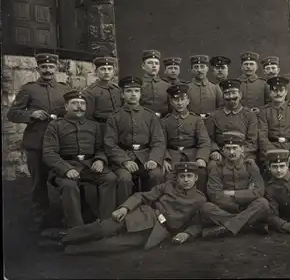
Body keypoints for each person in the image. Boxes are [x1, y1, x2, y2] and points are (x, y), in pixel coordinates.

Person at [59, 162, 206, 255]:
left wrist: (187, 234)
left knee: (113, 245)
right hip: (143, 216)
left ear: (196, 178)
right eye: (182, 176)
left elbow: (197, 223)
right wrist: (125, 208)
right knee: (103, 228)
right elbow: (142, 196)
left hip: (156, 231)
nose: (186, 180)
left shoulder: (200, 199)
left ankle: (70, 250)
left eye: (189, 176)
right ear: (177, 178)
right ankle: (64, 239)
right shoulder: (167, 186)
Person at [7, 53, 70, 228]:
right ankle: (39, 216)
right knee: (38, 181)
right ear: (38, 68)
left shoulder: (64, 89)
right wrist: (30, 114)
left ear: (56, 68)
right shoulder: (29, 89)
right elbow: (12, 114)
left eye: (51, 67)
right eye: (44, 67)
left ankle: (67, 214)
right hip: (37, 142)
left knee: (65, 178)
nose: (48, 70)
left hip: (60, 142)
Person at [42, 90, 117, 234]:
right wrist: (66, 169)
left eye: (82, 103)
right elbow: (49, 152)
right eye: (75, 103)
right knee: (69, 185)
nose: (79, 107)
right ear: (66, 107)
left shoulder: (94, 125)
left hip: (89, 165)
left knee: (110, 178)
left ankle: (105, 222)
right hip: (67, 165)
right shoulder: (55, 125)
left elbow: (101, 148)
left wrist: (100, 160)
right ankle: (76, 228)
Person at [104, 76, 166, 205]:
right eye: (129, 91)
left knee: (156, 175)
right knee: (124, 178)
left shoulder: (150, 116)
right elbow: (110, 143)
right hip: (124, 157)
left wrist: (153, 159)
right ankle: (124, 212)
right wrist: (124, 161)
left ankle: (153, 210)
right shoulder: (115, 117)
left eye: (136, 91)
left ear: (140, 94)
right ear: (122, 94)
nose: (133, 94)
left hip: (146, 156)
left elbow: (158, 141)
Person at [201, 131, 269, 238]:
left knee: (263, 203)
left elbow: (258, 191)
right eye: (228, 148)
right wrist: (242, 200)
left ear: (242, 148)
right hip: (228, 209)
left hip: (247, 207)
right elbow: (215, 195)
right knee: (206, 207)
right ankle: (249, 226)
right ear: (223, 150)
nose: (231, 152)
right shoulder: (217, 168)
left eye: (234, 148)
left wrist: (232, 193)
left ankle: (225, 227)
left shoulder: (250, 166)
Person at [257, 76, 290, 180]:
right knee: (268, 170)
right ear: (270, 93)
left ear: (286, 92)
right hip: (271, 149)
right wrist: (273, 153)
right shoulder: (264, 112)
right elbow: (262, 136)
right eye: (275, 90)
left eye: (281, 90)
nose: (278, 93)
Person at [161, 84, 211, 193]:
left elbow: (204, 141)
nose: (179, 103)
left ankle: (199, 201)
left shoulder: (196, 120)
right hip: (173, 155)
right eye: (176, 100)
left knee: (201, 173)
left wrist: (201, 158)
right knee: (169, 175)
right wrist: (164, 159)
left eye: (182, 99)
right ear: (171, 102)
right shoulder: (165, 121)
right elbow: (161, 143)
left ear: (188, 101)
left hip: (192, 154)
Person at [205, 79, 259, 163]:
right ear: (223, 96)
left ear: (240, 95)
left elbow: (252, 141)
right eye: (227, 93)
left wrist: (238, 153)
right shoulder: (214, 116)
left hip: (244, 154)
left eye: (234, 93)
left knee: (250, 166)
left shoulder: (250, 115)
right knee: (213, 166)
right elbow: (209, 139)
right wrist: (214, 150)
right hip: (221, 154)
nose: (231, 97)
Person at [85, 56, 123, 133]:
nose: (106, 72)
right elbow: (88, 117)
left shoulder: (117, 89)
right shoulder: (91, 91)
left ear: (113, 71)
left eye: (109, 69)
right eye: (103, 69)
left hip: (118, 128)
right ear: (96, 71)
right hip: (101, 128)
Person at [139, 49, 171, 118]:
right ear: (143, 66)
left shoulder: (167, 86)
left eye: (156, 63)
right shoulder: (138, 85)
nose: (154, 66)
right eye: (150, 63)